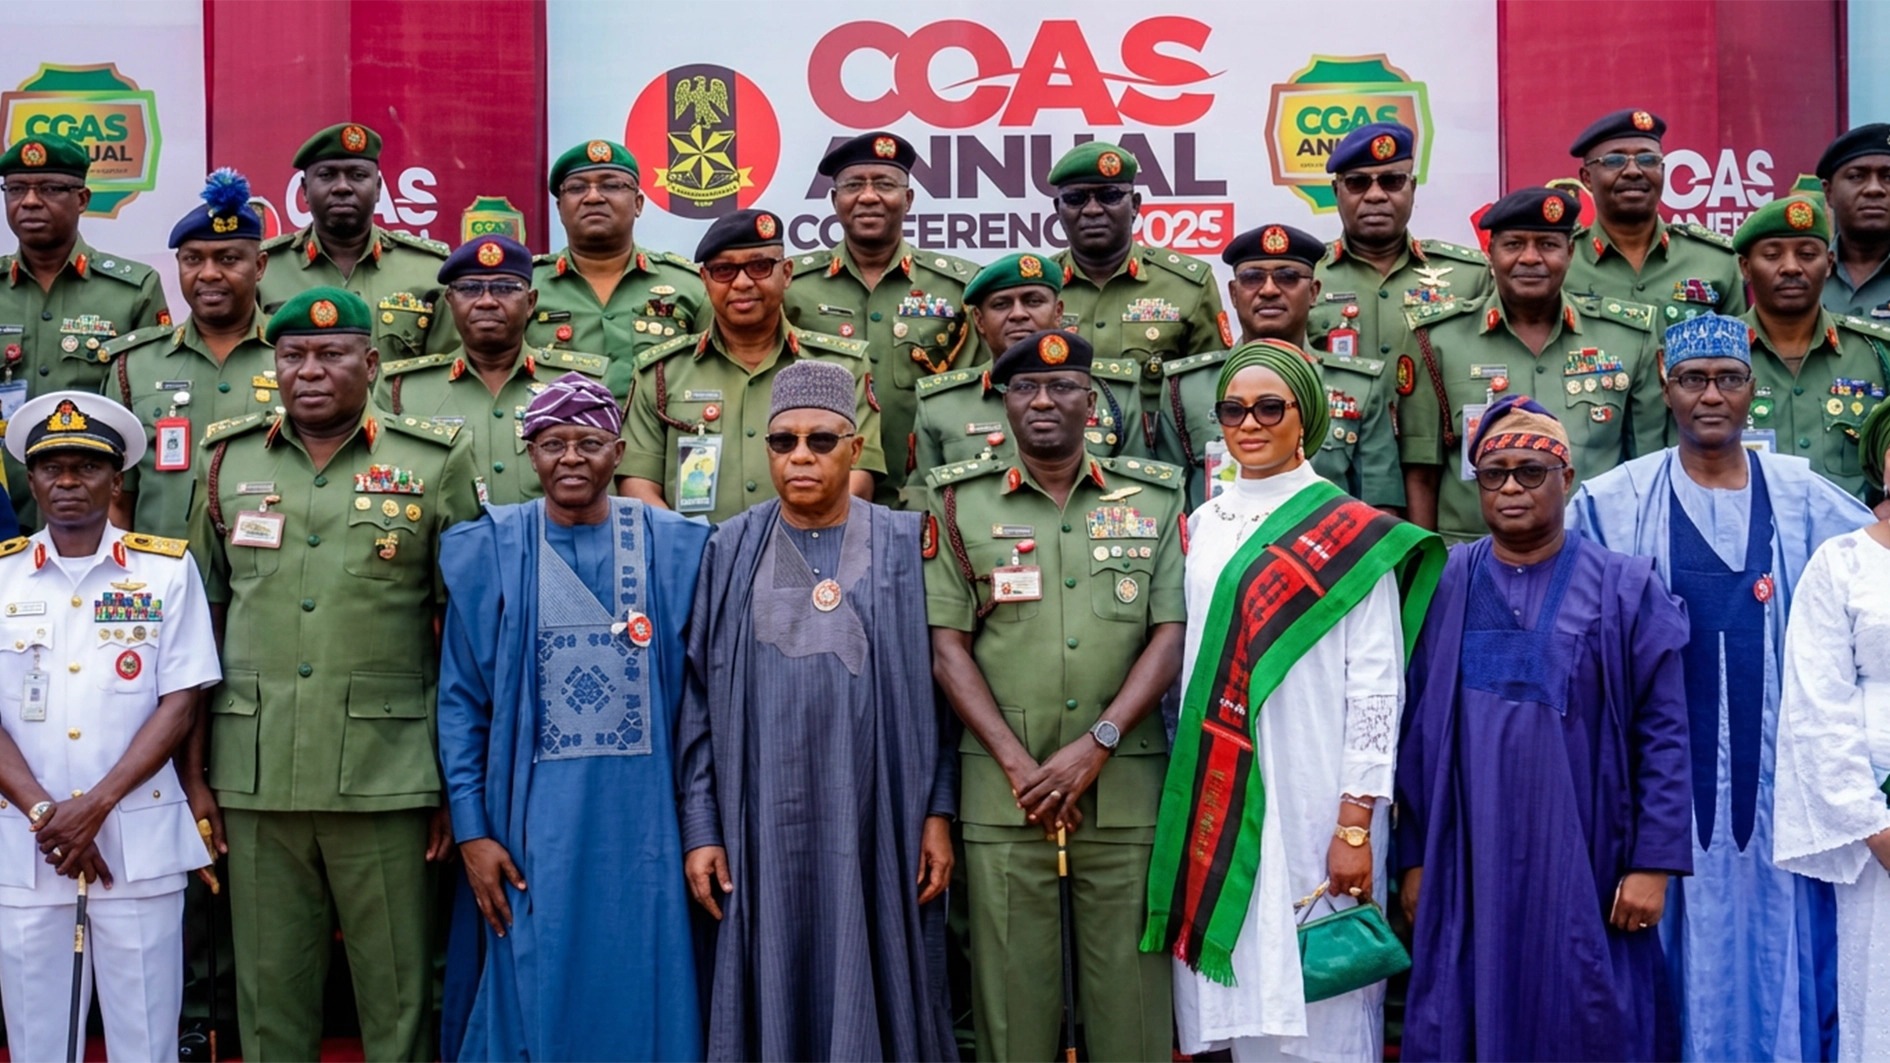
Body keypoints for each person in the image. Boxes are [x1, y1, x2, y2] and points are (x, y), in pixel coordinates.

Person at [186, 287, 480, 1062]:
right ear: (273, 364)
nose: (309, 370)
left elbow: (462, 632)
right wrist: (195, 776)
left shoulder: (432, 458)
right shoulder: (226, 456)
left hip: (387, 772)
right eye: (292, 356)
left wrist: (455, 781)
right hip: (255, 774)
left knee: (398, 997)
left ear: (372, 363)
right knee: (269, 996)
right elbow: (199, 627)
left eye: (331, 353)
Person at [1570, 312, 1873, 1061]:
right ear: (1667, 391)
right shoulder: (1613, 503)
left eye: (1729, 379)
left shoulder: (1808, 501)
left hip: (1784, 797)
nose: (1712, 394)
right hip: (1660, 797)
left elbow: (1875, 580)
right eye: (1694, 379)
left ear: (1752, 392)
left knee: (1789, 960)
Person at [1141, 340, 1442, 1061]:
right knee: (1240, 996)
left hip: (1318, 797)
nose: (1250, 422)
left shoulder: (1350, 531)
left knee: (1325, 1008)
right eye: (1234, 409)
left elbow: (1375, 688)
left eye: (1269, 406)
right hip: (1223, 788)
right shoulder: (1202, 525)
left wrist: (1356, 822)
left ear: (1302, 416)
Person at [1396, 395, 1693, 1061]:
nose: (1509, 487)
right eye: (1494, 472)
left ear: (1567, 479)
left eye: (1530, 471)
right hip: (1469, 857)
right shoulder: (1445, 585)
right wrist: (1414, 854)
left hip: (1590, 856)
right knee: (1467, 1008)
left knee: (1587, 1010)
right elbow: (1415, 731)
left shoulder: (1624, 588)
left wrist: (1654, 862)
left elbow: (1664, 734)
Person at [679, 359, 956, 1060]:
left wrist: (937, 813)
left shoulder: (904, 542)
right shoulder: (729, 547)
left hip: (878, 818)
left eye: (820, 440)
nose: (800, 456)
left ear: (855, 447)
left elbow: (942, 691)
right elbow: (700, 699)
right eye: (783, 441)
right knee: (772, 977)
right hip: (760, 827)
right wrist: (702, 826)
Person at [926, 330, 1185, 1062]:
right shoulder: (958, 500)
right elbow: (947, 646)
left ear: (1092, 400)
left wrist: (1096, 743)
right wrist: (1015, 762)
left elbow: (1168, 634)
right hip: (1005, 792)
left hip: (1125, 780)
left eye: (1064, 386)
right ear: (1003, 402)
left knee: (1132, 1006)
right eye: (1024, 388)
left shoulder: (1156, 496)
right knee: (1014, 1011)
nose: (1043, 400)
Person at [435, 374, 708, 1062]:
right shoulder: (491, 549)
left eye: (589, 442)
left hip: (650, 835)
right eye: (552, 442)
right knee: (535, 990)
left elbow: (708, 706)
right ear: (530, 453)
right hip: (529, 835)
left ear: (619, 450)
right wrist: (472, 830)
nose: (571, 457)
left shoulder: (680, 547)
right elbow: (461, 702)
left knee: (649, 993)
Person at [0, 390, 217, 1061]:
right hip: (27, 846)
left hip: (136, 842)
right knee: (39, 1041)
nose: (68, 481)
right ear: (30, 480)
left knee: (146, 1039)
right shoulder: (2, 575)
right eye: (52, 467)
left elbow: (180, 701)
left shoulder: (165, 569)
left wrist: (92, 807)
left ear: (115, 479)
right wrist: (48, 813)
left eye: (86, 467)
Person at [1400, 186, 1664, 543]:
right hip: (1472, 559)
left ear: (1570, 253)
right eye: (1513, 244)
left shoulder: (1628, 337)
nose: (1530, 258)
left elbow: (1648, 469)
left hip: (1595, 556)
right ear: (1489, 252)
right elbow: (1421, 473)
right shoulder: (1436, 339)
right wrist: (1428, 572)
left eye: (1547, 245)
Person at [619, 209, 883, 522]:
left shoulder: (841, 366)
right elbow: (637, 484)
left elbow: (859, 477)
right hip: (694, 562)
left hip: (812, 559)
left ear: (786, 273)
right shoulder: (662, 373)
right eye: (724, 271)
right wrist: (690, 549)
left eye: (759, 267)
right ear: (705, 280)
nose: (742, 283)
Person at [1772, 398, 1890, 1063]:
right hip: (1880, 820)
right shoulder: (1841, 563)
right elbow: (1817, 703)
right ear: (1880, 462)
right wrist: (1872, 825)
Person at [784, 132, 980, 507]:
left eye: (885, 185)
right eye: (853, 185)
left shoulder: (960, 287)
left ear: (907, 199)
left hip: (930, 497)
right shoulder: (793, 288)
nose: (869, 197)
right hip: (820, 499)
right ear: (834, 200)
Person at [1161, 223, 1403, 510]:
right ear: (1234, 294)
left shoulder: (1361, 386)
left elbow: (1380, 506)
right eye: (1252, 278)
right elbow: (1168, 507)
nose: (1269, 290)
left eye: (1287, 277)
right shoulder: (1186, 387)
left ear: (1313, 292)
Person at [0, 133, 167, 526]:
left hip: (94, 513)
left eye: (50, 188)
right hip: (4, 503)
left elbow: (149, 410)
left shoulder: (132, 290)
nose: (29, 201)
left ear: (83, 199)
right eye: (16, 189)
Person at [107, 169, 279, 537]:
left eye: (229, 259)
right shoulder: (134, 365)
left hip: (261, 581)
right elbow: (117, 497)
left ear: (259, 266)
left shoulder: (294, 358)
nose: (209, 274)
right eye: (193, 260)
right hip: (158, 579)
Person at [379, 234, 609, 506]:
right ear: (450, 301)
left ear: (531, 302)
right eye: (469, 289)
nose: (486, 301)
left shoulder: (581, 384)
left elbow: (607, 485)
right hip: (448, 547)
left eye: (505, 288)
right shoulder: (402, 389)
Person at [912, 253, 1149, 474]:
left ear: (1058, 314)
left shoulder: (1114, 393)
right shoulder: (939, 405)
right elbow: (923, 498)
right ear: (979, 321)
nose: (1018, 314)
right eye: (1001, 304)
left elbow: (1137, 485)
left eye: (1033, 302)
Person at [1735, 194, 1890, 505]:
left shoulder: (1877, 353)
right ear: (1745, 267)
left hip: (1853, 546)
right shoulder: (1714, 354)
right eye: (1772, 255)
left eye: (1807, 254)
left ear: (1829, 264)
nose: (1791, 267)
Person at [257, 123, 455, 363]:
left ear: (379, 188)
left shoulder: (429, 270)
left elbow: (445, 373)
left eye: (358, 175)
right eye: (327, 175)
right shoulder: (264, 272)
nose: (342, 187)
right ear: (305, 190)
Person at [1046, 142, 1229, 398]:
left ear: (1134, 205)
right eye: (1075, 199)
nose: (1092, 210)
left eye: (1109, 196)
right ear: (1058, 209)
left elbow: (1210, 390)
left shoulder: (1188, 285)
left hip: (1156, 437)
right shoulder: (1036, 289)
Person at [525, 139, 704, 398]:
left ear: (638, 204)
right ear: (559, 209)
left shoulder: (690, 287)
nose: (593, 197)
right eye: (576, 188)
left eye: (611, 185)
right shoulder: (527, 287)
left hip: (660, 437)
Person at [1312, 121, 1490, 369]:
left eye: (1392, 181)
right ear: (1336, 191)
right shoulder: (1305, 277)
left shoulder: (1472, 276)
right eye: (1357, 183)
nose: (1375, 195)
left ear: (1412, 188)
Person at [1565, 109, 1746, 321]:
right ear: (1586, 178)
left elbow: (1740, 350)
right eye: (1614, 160)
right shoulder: (1562, 264)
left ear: (1663, 170)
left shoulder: (1717, 260)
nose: (1633, 171)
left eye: (1648, 159)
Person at [1816, 124, 1890, 319]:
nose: (1874, 189)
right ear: (1828, 192)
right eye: (1857, 176)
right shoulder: (1803, 273)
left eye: (1888, 177)